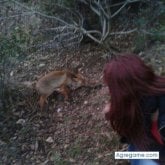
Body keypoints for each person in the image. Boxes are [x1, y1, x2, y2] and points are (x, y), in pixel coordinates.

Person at [103, 53, 165, 165]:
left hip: (158, 153)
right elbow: (131, 137)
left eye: (111, 87)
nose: (109, 91)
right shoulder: (138, 103)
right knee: (128, 153)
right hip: (147, 146)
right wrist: (118, 114)